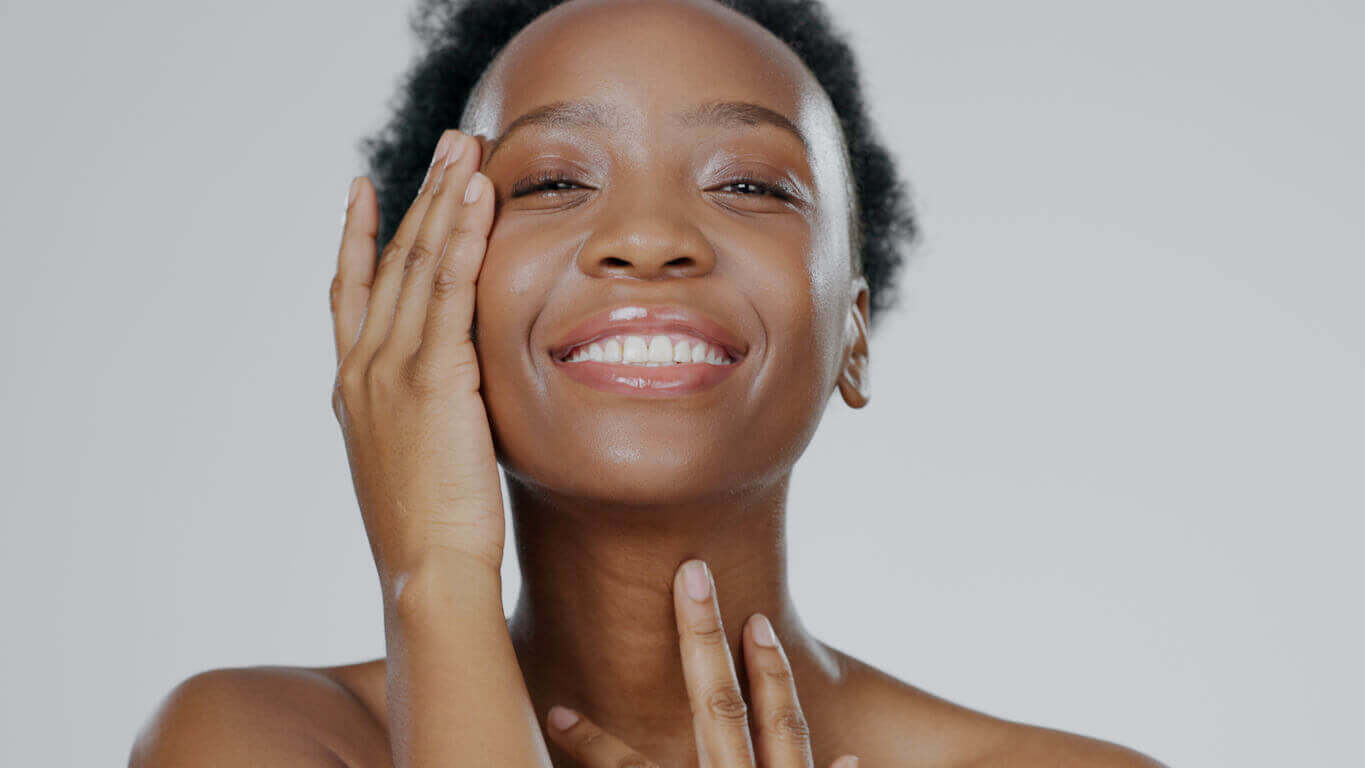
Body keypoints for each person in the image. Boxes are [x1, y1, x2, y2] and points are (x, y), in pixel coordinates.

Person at [130, 0, 1165, 765]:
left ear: (854, 327)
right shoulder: (257, 739)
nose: (649, 239)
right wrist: (435, 583)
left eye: (750, 184)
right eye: (552, 182)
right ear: (433, 297)